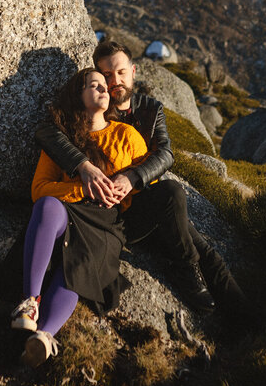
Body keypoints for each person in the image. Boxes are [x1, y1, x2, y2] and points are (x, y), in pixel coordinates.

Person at [35, 40, 244, 317]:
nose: (115, 81)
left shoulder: (149, 109)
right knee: (186, 230)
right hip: (110, 215)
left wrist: (132, 178)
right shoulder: (90, 114)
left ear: (133, 71)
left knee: (202, 247)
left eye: (121, 72)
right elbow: (48, 134)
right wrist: (82, 166)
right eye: (106, 76)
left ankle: (244, 320)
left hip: (142, 196)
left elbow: (165, 154)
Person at [12, 66, 148, 367]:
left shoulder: (127, 136)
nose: (103, 89)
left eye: (104, 86)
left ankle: (44, 337)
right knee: (47, 206)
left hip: (105, 221)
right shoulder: (61, 140)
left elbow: (144, 186)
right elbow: (40, 189)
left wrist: (124, 186)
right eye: (93, 85)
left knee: (79, 265)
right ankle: (30, 302)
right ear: (78, 95)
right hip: (69, 206)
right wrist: (82, 185)